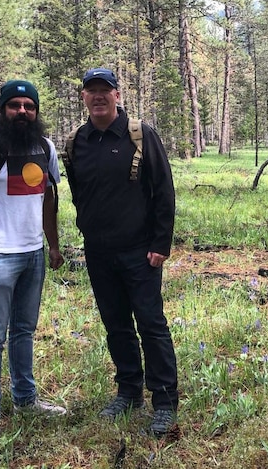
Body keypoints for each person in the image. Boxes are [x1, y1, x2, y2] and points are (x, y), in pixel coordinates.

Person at [66, 67, 178, 437]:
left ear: (117, 95)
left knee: (151, 325)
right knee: (116, 326)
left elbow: (163, 191)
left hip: (140, 253)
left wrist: (160, 244)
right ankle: (128, 392)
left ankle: (164, 401)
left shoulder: (140, 135)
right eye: (91, 91)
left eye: (105, 90)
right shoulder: (77, 142)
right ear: (84, 97)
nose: (98, 96)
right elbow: (78, 195)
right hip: (98, 254)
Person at [0, 79, 67, 451]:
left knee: (24, 331)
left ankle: (26, 399)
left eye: (29, 106)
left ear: (36, 111)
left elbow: (48, 200)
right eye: (15, 105)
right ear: (3, 108)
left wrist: (52, 246)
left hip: (32, 254)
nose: (22, 111)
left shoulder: (45, 147)